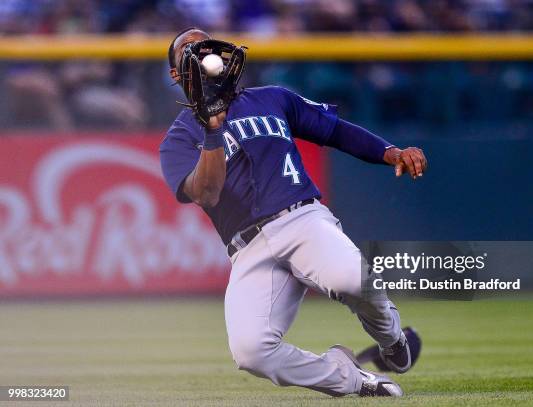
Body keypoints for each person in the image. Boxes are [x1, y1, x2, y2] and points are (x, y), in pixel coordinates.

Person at [159, 28, 427, 397]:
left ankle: (392, 339)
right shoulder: (178, 138)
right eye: (188, 50)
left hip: (301, 219)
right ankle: (351, 379)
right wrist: (212, 131)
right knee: (251, 352)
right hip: (249, 248)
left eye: (205, 45)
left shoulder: (273, 98)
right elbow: (208, 191)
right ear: (176, 74)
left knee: (352, 280)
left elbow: (334, 131)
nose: (200, 52)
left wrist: (390, 152)